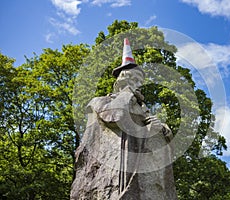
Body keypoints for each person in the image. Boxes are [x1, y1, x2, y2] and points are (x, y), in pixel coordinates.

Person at [70, 38, 177, 200]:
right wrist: (127, 93)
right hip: (115, 173)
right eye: (133, 80)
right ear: (121, 82)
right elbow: (114, 116)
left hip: (149, 176)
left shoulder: (142, 108)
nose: (138, 85)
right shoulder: (101, 101)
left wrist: (161, 128)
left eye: (140, 82)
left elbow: (162, 134)